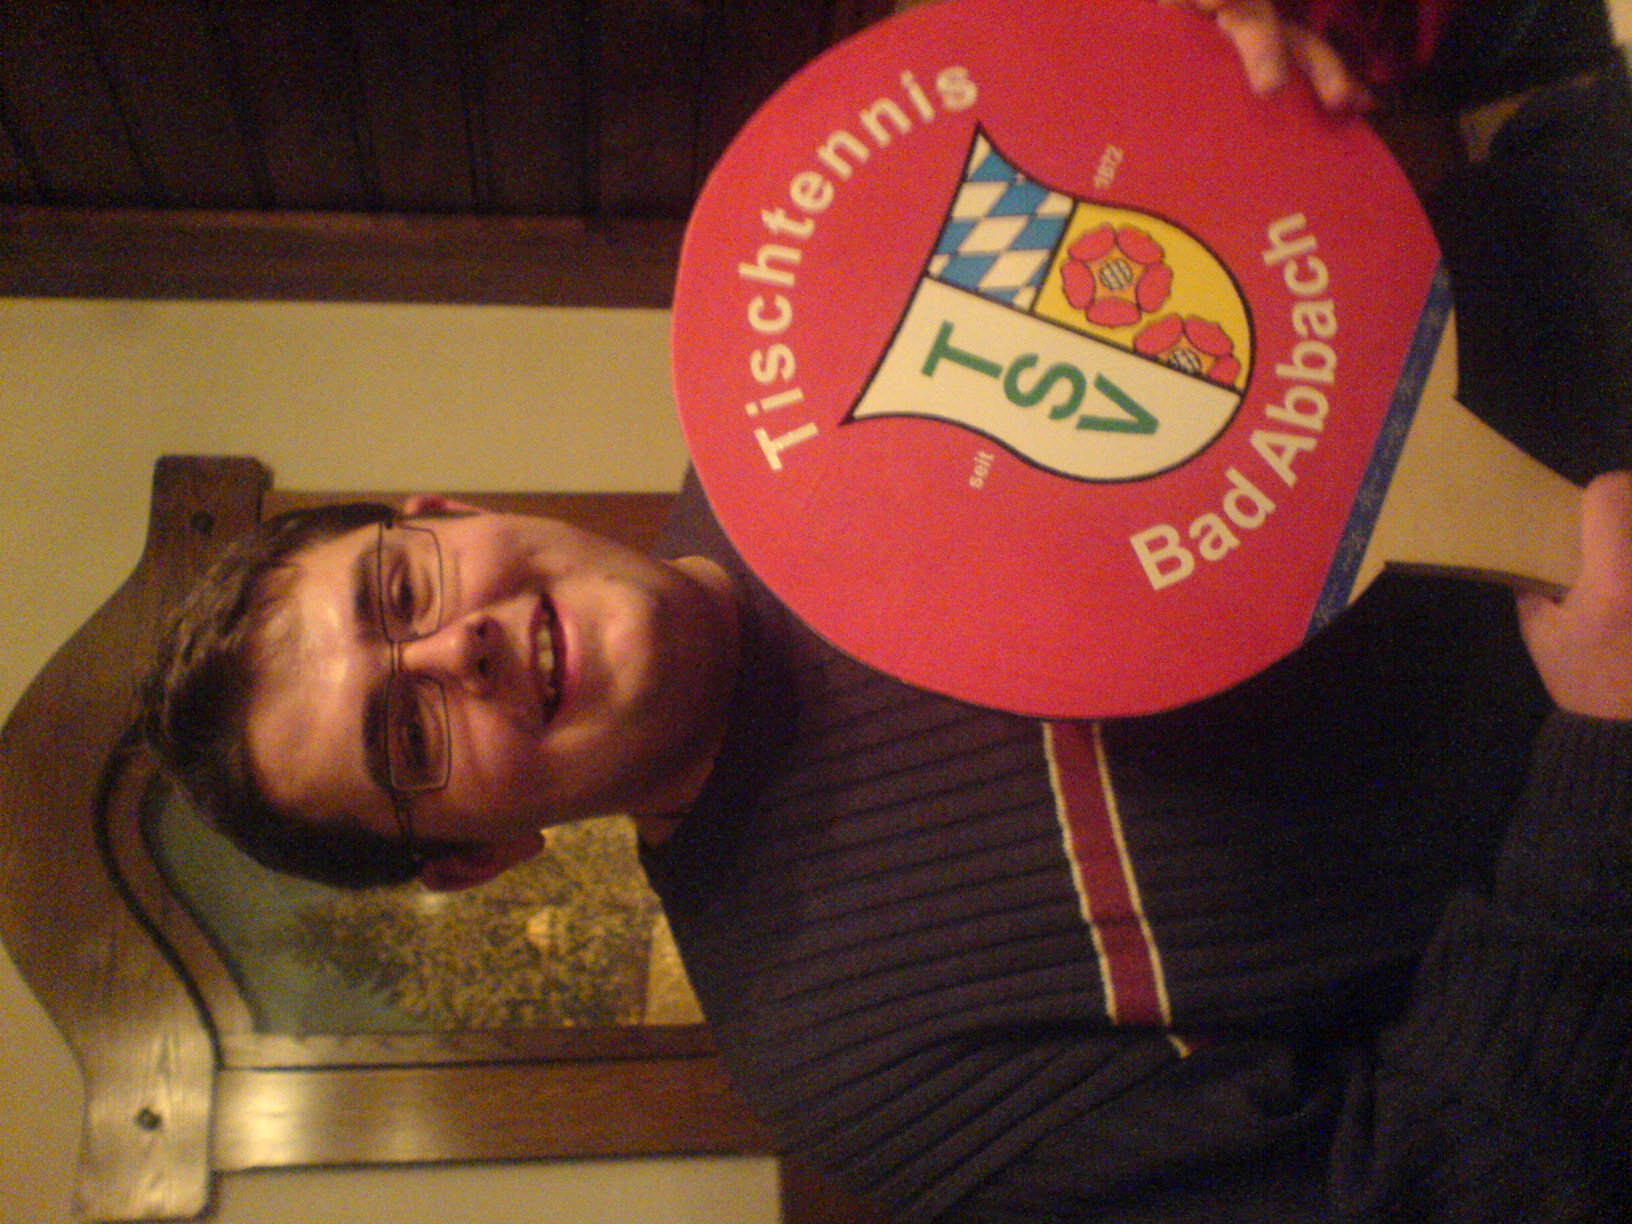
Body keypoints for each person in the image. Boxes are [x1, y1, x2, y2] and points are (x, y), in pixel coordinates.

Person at [142, 2, 1632, 1220]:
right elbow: (1447, 1185)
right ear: (475, 858)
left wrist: (1272, 56)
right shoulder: (857, 1062)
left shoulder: (814, 345)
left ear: (451, 514)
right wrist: (1609, 745)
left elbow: (1275, 172)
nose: (456, 647)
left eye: (400, 592)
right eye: (409, 736)